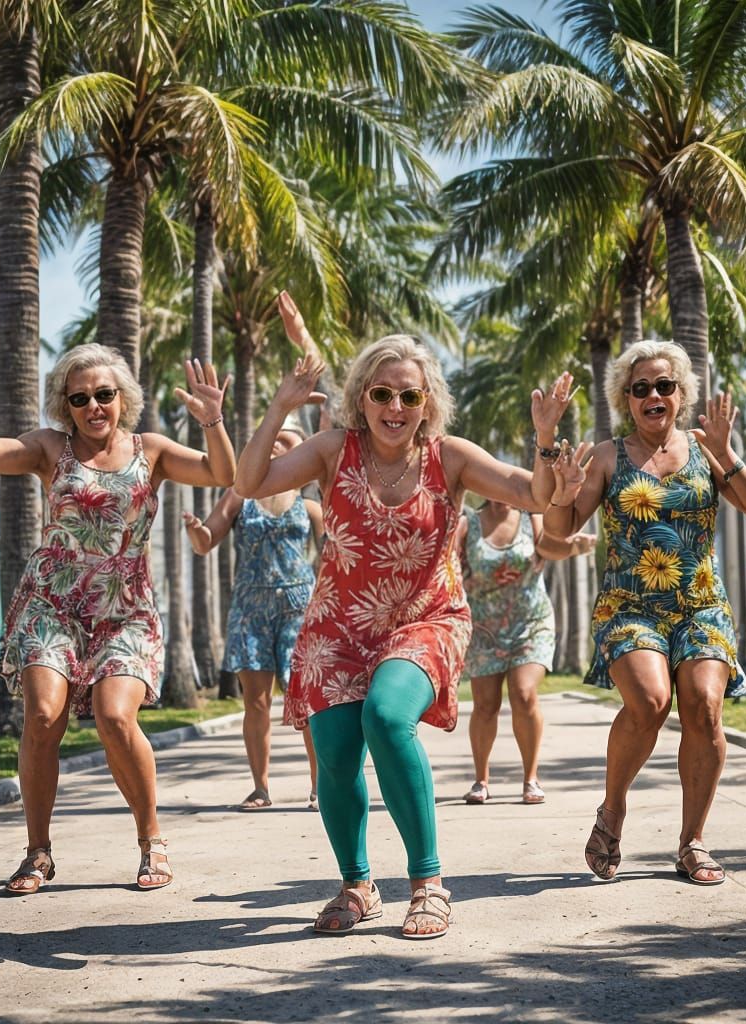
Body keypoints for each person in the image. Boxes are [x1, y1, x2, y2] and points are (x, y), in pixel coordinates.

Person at [233, 290, 573, 939]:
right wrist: (280, 406)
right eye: (382, 393)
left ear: (427, 403)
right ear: (362, 398)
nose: (395, 407)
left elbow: (534, 493)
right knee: (335, 753)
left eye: (409, 396)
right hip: (337, 626)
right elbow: (249, 483)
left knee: (387, 717)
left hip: (426, 619)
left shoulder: (450, 457)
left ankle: (428, 882)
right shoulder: (333, 450)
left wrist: (546, 440)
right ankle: (358, 885)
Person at [0, 340, 235, 895]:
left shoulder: (152, 450)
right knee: (43, 717)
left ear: (123, 397)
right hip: (52, 602)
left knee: (115, 718)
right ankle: (37, 852)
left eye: (104, 395)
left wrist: (212, 421)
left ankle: (151, 839)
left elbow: (220, 473)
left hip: (124, 611)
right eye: (80, 398)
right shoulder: (50, 448)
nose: (94, 407)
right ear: (64, 405)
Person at [542, 339, 746, 886]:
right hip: (630, 606)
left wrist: (728, 454)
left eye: (664, 385)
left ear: (680, 394)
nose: (653, 395)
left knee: (705, 707)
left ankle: (692, 841)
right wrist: (564, 491)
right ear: (626, 398)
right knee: (650, 701)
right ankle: (614, 808)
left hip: (700, 604)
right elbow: (559, 530)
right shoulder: (607, 457)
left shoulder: (705, 448)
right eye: (640, 387)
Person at [183, 422, 323, 811]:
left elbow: (334, 553)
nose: (276, 444)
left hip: (299, 606)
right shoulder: (239, 496)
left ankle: (321, 786)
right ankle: (261, 789)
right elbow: (206, 542)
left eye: (286, 442)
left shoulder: (310, 506)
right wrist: (195, 530)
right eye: (272, 439)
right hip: (250, 610)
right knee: (256, 703)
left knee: (306, 702)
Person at [458, 498, 595, 806]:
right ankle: (481, 780)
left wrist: (574, 546)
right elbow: (448, 563)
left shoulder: (530, 520)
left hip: (531, 622)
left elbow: (551, 546)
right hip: (484, 628)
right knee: (485, 705)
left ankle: (530, 778)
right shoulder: (469, 525)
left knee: (523, 693)